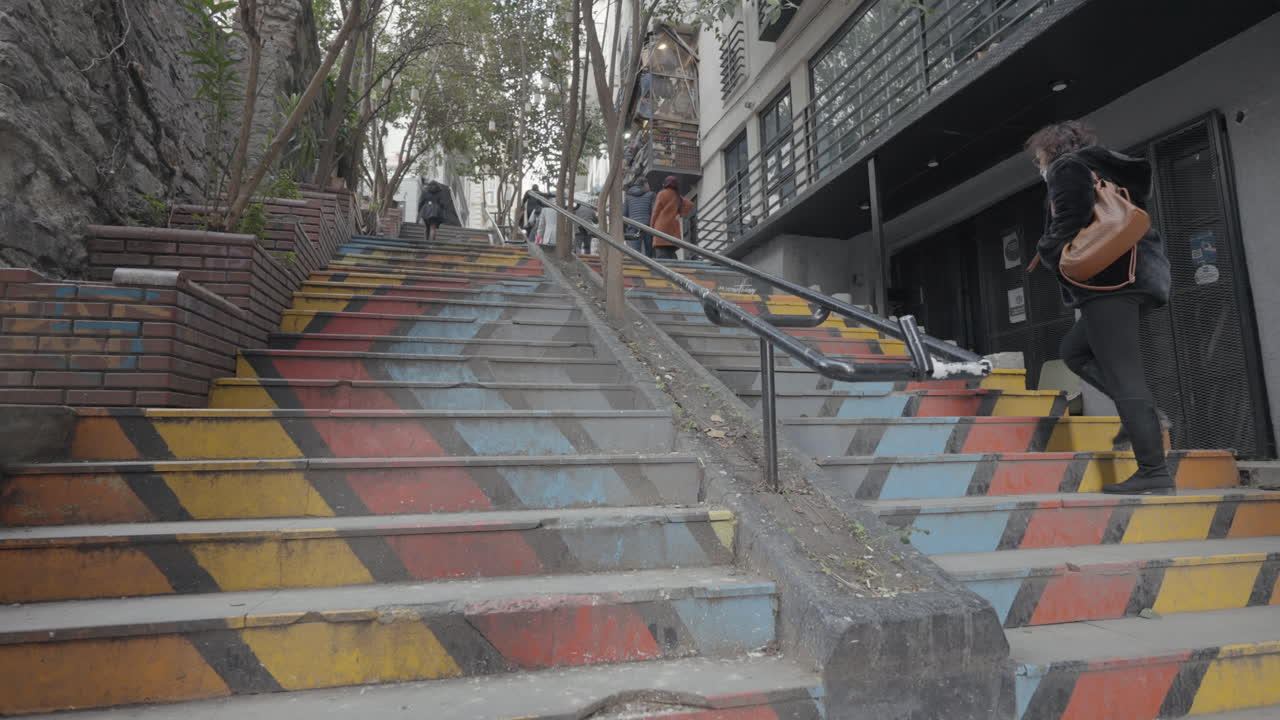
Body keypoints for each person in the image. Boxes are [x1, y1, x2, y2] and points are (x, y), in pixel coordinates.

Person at [1027, 120, 1173, 495]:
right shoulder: (1107, 168)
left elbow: (1070, 218)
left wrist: (1048, 249)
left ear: (1050, 150)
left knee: (1124, 374)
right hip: (1136, 279)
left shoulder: (1067, 167)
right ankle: (1145, 415)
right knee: (1074, 351)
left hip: (1109, 286)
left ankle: (1154, 472)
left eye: (1038, 157)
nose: (1038, 165)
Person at [649, 175, 693, 260]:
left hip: (661, 227)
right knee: (670, 251)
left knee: (661, 252)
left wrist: (651, 226)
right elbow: (690, 204)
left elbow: (655, 212)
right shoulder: (677, 196)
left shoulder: (662, 194)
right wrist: (680, 214)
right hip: (673, 228)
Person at [623, 180, 657, 256]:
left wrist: (624, 229)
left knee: (636, 253)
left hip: (633, 226)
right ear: (644, 184)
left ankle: (637, 265)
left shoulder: (628, 197)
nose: (649, 186)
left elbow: (624, 214)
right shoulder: (651, 194)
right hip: (647, 226)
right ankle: (650, 266)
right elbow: (654, 211)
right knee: (649, 251)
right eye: (648, 184)